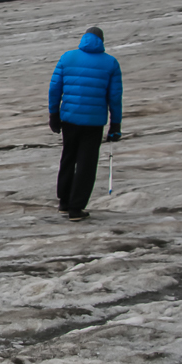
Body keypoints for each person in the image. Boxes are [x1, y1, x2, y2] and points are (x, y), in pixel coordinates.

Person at [48, 27, 123, 222]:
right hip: (93, 122)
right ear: (102, 40)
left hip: (69, 118)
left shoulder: (67, 58)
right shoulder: (110, 63)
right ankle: (76, 207)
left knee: (68, 158)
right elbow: (114, 97)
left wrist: (53, 115)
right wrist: (115, 124)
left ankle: (64, 202)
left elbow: (54, 88)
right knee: (86, 165)